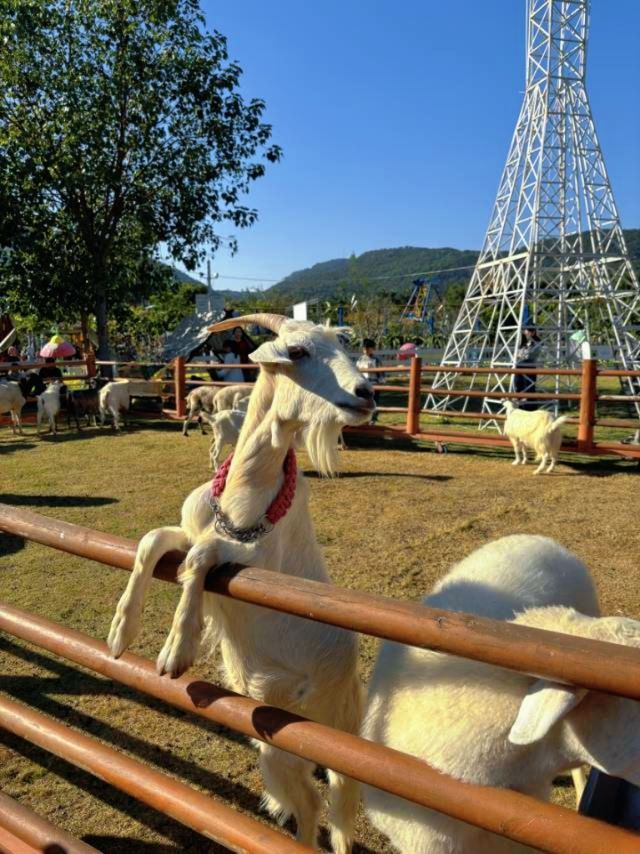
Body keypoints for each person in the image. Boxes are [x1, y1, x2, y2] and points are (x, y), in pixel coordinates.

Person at [515, 327, 542, 410]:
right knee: (519, 385)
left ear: (533, 332)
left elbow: (529, 355)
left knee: (529, 387)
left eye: (529, 331)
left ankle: (530, 407)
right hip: (519, 366)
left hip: (530, 366)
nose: (527, 333)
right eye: (526, 331)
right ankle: (520, 405)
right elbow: (517, 354)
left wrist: (520, 355)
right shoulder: (522, 342)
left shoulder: (537, 342)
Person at [357, 338, 383, 423]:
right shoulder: (360, 359)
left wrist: (380, 382)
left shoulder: (376, 360)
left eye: (368, 348)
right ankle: (364, 418)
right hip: (363, 383)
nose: (366, 350)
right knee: (363, 401)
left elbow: (381, 372)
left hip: (374, 383)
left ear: (372, 349)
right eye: (364, 348)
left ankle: (373, 418)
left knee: (374, 401)